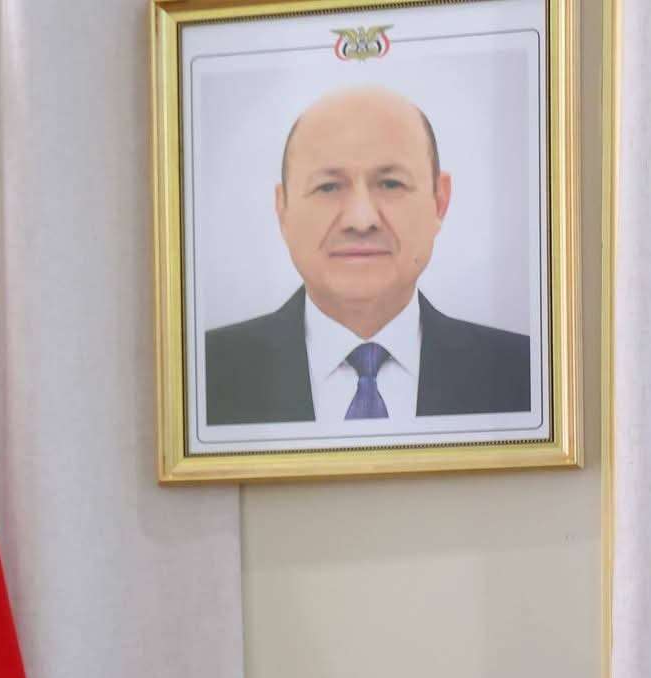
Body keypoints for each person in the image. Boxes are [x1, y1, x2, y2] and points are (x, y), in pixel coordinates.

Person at [204, 86, 532, 426]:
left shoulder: (526, 375)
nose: (361, 220)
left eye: (390, 184)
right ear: (282, 208)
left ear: (439, 200)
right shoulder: (203, 376)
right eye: (328, 187)